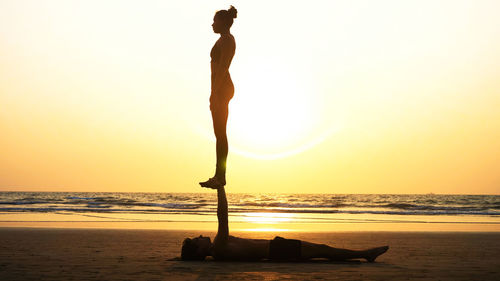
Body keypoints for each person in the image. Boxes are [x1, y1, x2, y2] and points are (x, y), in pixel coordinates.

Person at [182, 186, 389, 262]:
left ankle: (362, 254)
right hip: (277, 250)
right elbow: (223, 216)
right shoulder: (218, 246)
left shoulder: (218, 253)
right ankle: (365, 254)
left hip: (275, 249)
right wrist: (220, 189)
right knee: (323, 250)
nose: (199, 236)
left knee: (322, 252)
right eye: (196, 240)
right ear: (199, 250)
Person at [199, 6, 238, 189]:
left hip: (222, 89)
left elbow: (222, 69)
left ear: (223, 22)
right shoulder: (223, 40)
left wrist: (214, 94)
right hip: (219, 88)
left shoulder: (228, 40)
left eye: (215, 21)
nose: (212, 24)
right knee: (219, 134)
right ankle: (218, 175)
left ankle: (220, 176)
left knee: (221, 134)